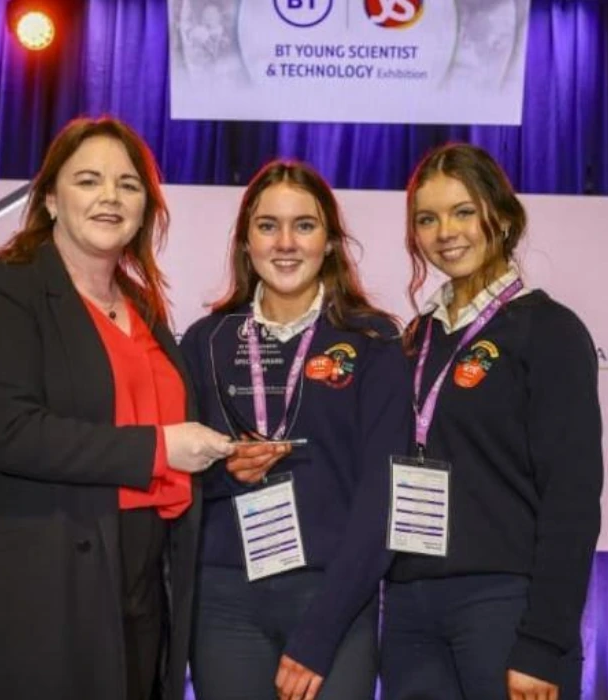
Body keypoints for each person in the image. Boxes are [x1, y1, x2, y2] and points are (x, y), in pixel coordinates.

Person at [0, 116, 235, 700]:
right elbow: (11, 432)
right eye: (88, 180)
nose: (110, 197)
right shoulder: (1, 289)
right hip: (41, 586)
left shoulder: (144, 308)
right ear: (49, 200)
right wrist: (161, 447)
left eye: (128, 184)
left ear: (146, 207)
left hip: (142, 578)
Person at [181, 160, 412, 700]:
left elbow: (382, 498)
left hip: (334, 595)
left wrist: (321, 632)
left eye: (304, 225)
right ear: (246, 243)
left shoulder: (371, 341)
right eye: (268, 226)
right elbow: (177, 479)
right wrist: (225, 473)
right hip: (225, 600)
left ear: (329, 242)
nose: (285, 243)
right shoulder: (205, 341)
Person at [380, 143, 603, 700]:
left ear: (500, 216)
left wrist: (543, 642)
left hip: (503, 607)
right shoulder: (415, 339)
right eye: (427, 219)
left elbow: (572, 499)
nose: (445, 232)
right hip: (408, 608)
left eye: (463, 211)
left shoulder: (548, 330)